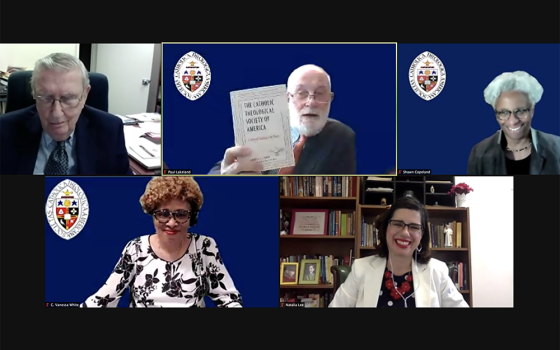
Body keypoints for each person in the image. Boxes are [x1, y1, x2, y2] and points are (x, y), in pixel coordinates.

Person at [81, 176, 242, 307]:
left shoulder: (204, 247)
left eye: (181, 214)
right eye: (164, 214)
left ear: (191, 216)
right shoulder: (136, 248)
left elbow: (228, 299)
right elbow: (105, 298)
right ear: (152, 213)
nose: (172, 223)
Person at [209, 64, 356, 174]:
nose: (311, 102)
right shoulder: (266, 127)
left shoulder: (341, 136)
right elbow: (218, 170)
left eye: (320, 93)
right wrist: (226, 175)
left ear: (330, 99)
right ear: (287, 98)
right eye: (301, 93)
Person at [0, 52, 132, 175]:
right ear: (34, 94)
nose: (57, 113)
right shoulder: (5, 130)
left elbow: (125, 189)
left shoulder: (110, 130)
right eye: (46, 98)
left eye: (68, 98)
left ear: (85, 95)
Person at [329, 196, 468, 308]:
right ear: (385, 228)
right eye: (397, 224)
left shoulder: (437, 271)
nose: (405, 233)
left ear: (422, 235)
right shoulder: (361, 269)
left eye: (414, 227)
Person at [467, 71, 560, 175]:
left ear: (532, 111)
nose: (513, 121)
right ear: (496, 114)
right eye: (503, 112)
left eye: (520, 111)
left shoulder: (557, 148)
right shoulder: (479, 153)